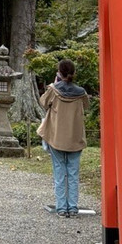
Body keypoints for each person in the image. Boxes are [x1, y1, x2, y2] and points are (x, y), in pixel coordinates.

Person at [37, 58, 89, 217]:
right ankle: (72, 207)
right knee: (73, 174)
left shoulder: (53, 90)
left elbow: (43, 102)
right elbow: (86, 107)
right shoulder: (81, 93)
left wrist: (55, 83)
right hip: (75, 138)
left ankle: (61, 208)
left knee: (59, 173)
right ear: (74, 73)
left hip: (56, 138)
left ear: (59, 73)